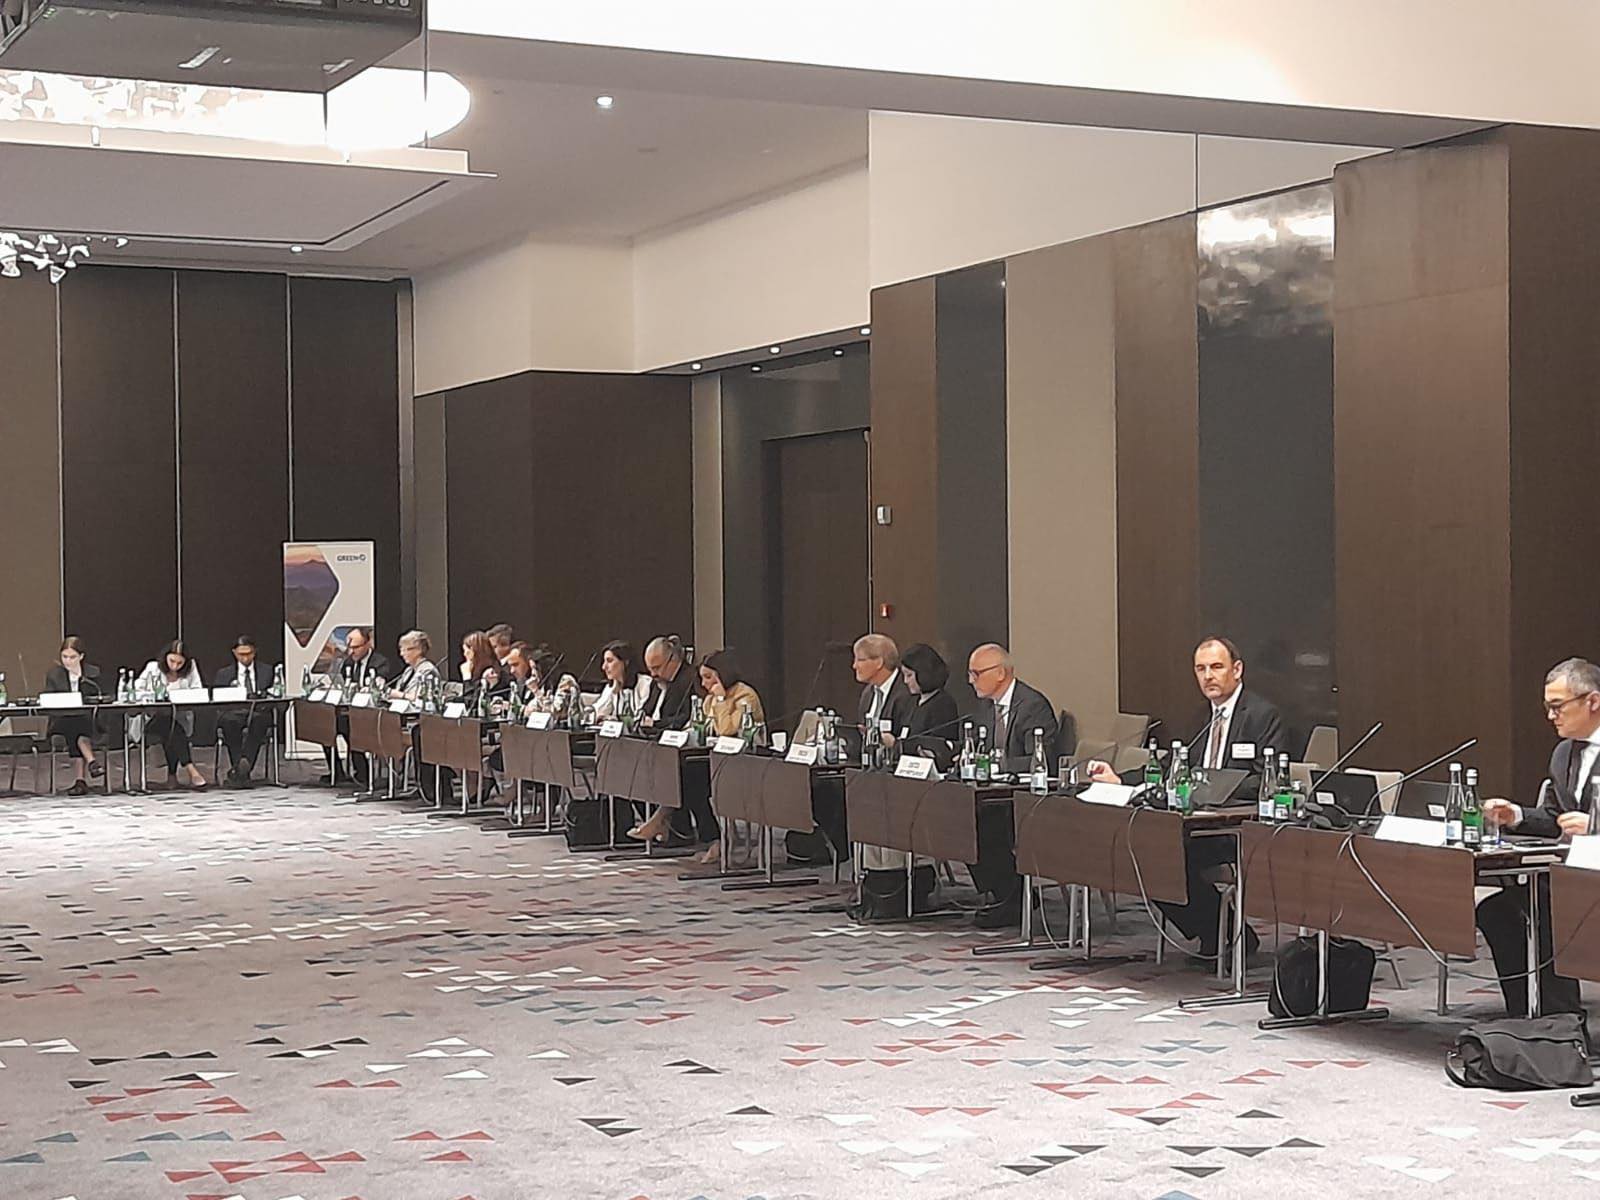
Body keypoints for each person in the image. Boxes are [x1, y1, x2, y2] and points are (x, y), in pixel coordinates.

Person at [1147, 636, 1288, 957]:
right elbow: (1171, 765)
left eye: (1216, 667)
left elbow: (1266, 780)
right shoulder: (1199, 717)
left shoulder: (1262, 715)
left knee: (1170, 856)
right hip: (1195, 824)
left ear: (1236, 670)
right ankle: (1216, 930)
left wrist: (1212, 787)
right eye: (1201, 669)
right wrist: (1122, 779)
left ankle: (1222, 933)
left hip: (1236, 829)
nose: (1208, 676)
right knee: (1146, 850)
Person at [1479, 657, 1598, 1020]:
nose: (1550, 716)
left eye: (1557, 706)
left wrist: (1595, 826)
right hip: (1572, 874)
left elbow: (1584, 822)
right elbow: (1554, 818)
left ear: (1592, 701)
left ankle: (1561, 1023)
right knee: (1499, 911)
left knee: (1547, 910)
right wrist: (1515, 815)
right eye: (1547, 706)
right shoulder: (1564, 752)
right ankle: (1530, 1018)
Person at [855, 643, 960, 920]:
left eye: (910, 676)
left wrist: (898, 744)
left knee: (894, 812)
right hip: (902, 779)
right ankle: (878, 885)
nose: (906, 682)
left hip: (929, 787)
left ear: (925, 674)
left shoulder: (943, 704)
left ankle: (900, 886)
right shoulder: (908, 702)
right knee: (872, 807)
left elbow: (937, 747)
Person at [966, 643, 1061, 928]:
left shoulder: (1033, 706)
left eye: (976, 673)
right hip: (994, 794)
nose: (971, 680)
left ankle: (1012, 898)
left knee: (983, 822)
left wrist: (997, 765)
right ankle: (1003, 892)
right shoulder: (985, 707)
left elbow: (1041, 759)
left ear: (1000, 673)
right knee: (959, 816)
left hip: (1027, 799)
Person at [690, 651, 766, 865]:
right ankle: (716, 838)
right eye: (702, 678)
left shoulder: (745, 696)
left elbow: (727, 729)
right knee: (685, 776)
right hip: (719, 759)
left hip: (746, 763)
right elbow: (701, 728)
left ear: (722, 675)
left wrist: (722, 699)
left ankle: (717, 839)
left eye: (708, 677)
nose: (704, 684)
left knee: (693, 780)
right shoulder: (711, 699)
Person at [135, 640, 207, 789]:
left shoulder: (191, 668)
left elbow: (198, 691)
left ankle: (173, 777)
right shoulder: (153, 668)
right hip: (150, 719)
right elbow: (137, 688)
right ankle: (190, 769)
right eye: (172, 661)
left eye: (179, 663)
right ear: (165, 657)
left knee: (171, 728)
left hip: (178, 718)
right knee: (168, 725)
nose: (174, 666)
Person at [329, 627, 392, 785]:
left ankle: (362, 772)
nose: (351, 651)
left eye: (356, 647)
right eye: (349, 647)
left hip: (373, 714)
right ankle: (337, 772)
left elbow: (379, 686)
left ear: (368, 644)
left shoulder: (380, 662)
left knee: (352, 729)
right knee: (327, 726)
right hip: (353, 711)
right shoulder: (348, 662)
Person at [213, 635, 277, 787]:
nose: (245, 658)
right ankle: (242, 769)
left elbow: (274, 694)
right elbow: (217, 699)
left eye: (249, 654)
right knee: (230, 723)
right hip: (233, 713)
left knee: (259, 722)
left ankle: (241, 768)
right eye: (241, 654)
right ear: (234, 653)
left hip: (258, 712)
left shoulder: (267, 671)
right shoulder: (224, 674)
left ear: (255, 652)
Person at [44, 636, 104, 796]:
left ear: (81, 656)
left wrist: (79, 679)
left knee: (78, 727)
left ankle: (81, 780)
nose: (68, 661)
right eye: (64, 657)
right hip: (61, 719)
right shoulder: (54, 675)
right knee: (75, 727)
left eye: (72, 657)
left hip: (87, 719)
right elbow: (49, 698)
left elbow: (99, 696)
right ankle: (91, 763)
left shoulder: (92, 673)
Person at [854, 633, 916, 749]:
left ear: (879, 662)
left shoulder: (906, 692)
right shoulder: (867, 693)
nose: (854, 666)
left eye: (860, 660)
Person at [643, 635, 696, 728]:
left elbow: (684, 718)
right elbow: (647, 710)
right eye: (650, 669)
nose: (652, 674)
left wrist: (655, 724)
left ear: (672, 659)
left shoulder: (691, 680)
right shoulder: (657, 681)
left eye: (656, 668)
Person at [590, 641, 651, 721]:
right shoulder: (611, 686)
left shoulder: (645, 684)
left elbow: (642, 716)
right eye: (604, 661)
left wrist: (615, 719)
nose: (604, 667)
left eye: (609, 661)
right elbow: (597, 713)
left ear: (626, 662)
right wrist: (612, 691)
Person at [458, 630, 505, 707]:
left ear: (473, 651)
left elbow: (471, 705)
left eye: (466, 651)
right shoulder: (478, 672)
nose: (464, 654)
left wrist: (466, 677)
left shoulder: (490, 674)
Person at [390, 630, 440, 700]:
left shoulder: (428, 670)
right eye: (401, 650)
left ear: (419, 650)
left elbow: (423, 699)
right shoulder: (408, 670)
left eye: (405, 650)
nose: (401, 654)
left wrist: (399, 695)